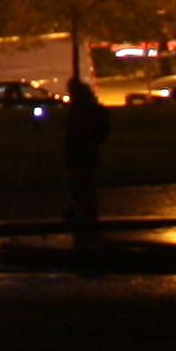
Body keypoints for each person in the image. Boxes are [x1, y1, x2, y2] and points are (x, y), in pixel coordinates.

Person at [57, 83, 113, 251]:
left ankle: (84, 217)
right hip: (82, 155)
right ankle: (82, 214)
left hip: (83, 154)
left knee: (83, 184)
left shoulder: (85, 111)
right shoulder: (86, 110)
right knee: (82, 185)